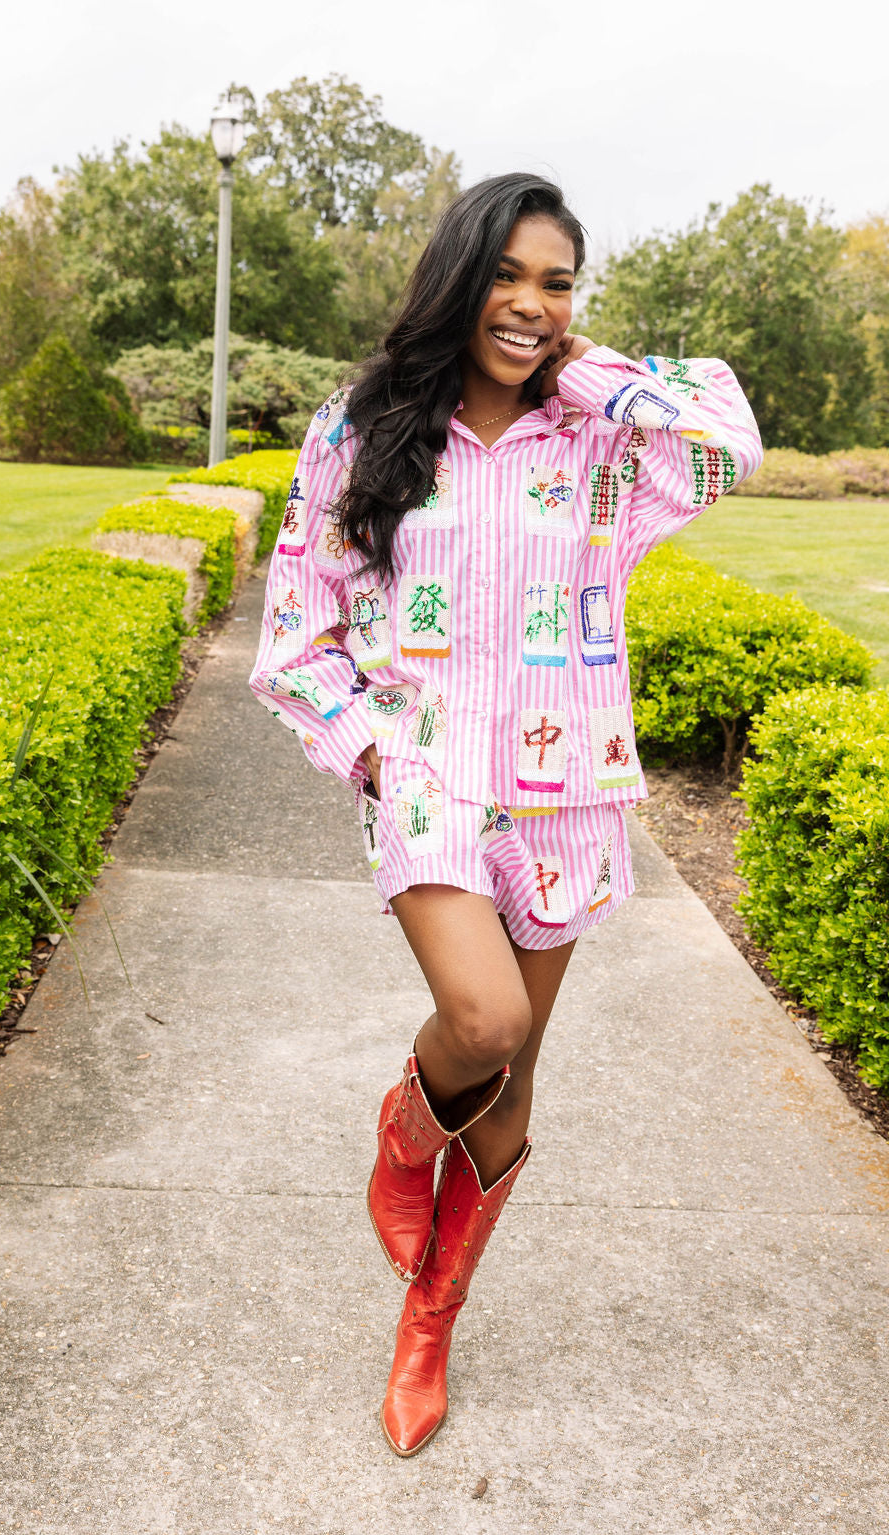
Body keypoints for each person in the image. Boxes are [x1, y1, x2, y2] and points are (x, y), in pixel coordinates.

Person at [248, 171, 762, 1457]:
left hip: (568, 784)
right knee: (482, 1021)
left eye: (557, 282)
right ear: (456, 274)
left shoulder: (600, 443)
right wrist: (378, 759)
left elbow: (727, 440)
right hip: (427, 774)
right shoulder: (359, 430)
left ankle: (429, 1322)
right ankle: (403, 1124)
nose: (530, 303)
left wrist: (580, 367)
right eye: (509, 275)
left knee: (517, 1075)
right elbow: (296, 640)